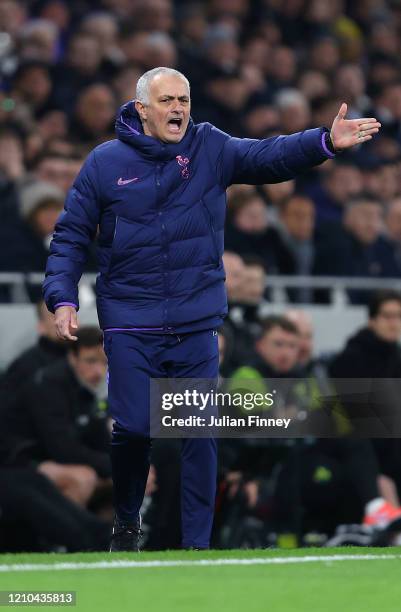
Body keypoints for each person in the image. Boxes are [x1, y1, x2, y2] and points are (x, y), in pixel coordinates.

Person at [42, 66, 382, 552]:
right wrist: (63, 296)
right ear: (141, 109)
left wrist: (323, 142)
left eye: (183, 99)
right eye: (166, 101)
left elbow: (267, 156)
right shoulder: (104, 162)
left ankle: (197, 546)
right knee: (135, 429)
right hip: (131, 322)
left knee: (199, 434)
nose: (178, 108)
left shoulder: (210, 147)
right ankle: (126, 524)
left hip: (195, 322)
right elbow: (70, 234)